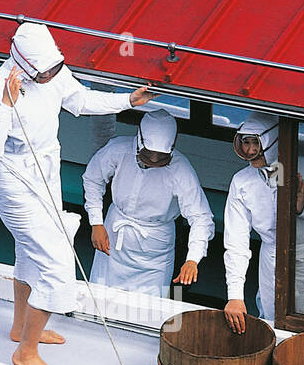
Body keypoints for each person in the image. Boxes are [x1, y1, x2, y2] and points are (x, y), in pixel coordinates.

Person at [0, 23, 154, 365]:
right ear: (24, 64)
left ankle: (20, 327)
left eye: (55, 68)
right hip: (13, 177)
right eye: (45, 71)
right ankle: (26, 352)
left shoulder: (51, 71)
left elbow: (81, 100)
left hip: (45, 169)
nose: (52, 76)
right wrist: (7, 105)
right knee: (55, 265)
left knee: (27, 252)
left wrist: (126, 102)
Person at [222, 112, 304, 333]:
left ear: (272, 141)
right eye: (245, 143)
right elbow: (236, 242)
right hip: (273, 260)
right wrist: (235, 295)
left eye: (256, 143)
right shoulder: (242, 182)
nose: (250, 151)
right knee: (276, 326)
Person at [84, 109, 214, 298]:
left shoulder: (181, 170)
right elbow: (93, 178)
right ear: (139, 143)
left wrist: (192, 259)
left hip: (154, 253)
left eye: (160, 158)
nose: (153, 162)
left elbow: (201, 217)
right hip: (113, 238)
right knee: (100, 299)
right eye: (148, 155)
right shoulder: (118, 150)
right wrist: (96, 222)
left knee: (148, 310)